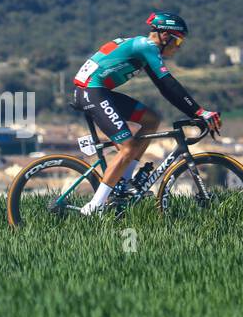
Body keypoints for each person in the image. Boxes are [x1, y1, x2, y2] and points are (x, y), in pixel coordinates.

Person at [72, 11, 220, 214]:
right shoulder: (147, 46)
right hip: (91, 91)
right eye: (177, 42)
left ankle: (123, 184)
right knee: (128, 147)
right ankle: (94, 207)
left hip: (98, 90)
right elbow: (168, 83)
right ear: (165, 36)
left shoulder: (144, 50)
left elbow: (164, 88)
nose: (178, 48)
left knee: (151, 120)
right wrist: (200, 112)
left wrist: (196, 113)